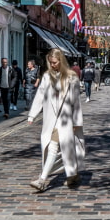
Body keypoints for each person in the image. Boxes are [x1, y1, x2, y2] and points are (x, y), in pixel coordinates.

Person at [28, 48, 85, 192]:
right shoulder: (47, 76)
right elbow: (40, 96)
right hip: (51, 118)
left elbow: (76, 102)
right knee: (57, 148)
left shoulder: (72, 77)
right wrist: (32, 115)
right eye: (50, 62)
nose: (52, 65)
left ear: (61, 60)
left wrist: (76, 122)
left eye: (54, 62)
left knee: (56, 147)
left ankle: (42, 180)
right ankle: (72, 175)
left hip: (66, 119)